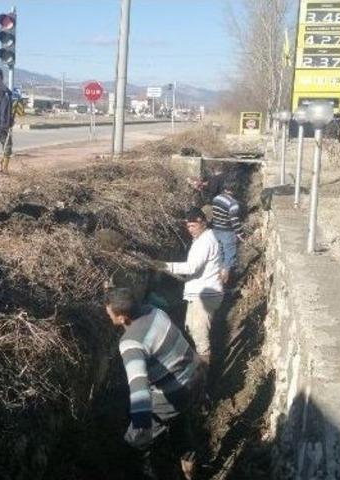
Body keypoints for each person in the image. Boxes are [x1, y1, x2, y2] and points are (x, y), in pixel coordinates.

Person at [105, 287, 202, 479]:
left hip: (175, 392)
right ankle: (191, 472)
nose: (107, 315)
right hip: (195, 376)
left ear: (122, 318)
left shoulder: (131, 343)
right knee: (180, 425)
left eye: (109, 313)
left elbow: (139, 388)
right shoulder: (155, 311)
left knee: (132, 445)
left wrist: (141, 426)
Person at [161, 207, 224, 368]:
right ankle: (200, 364)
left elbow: (192, 267)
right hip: (198, 292)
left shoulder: (206, 241)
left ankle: (204, 374)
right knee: (191, 327)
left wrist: (166, 266)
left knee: (199, 333)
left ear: (203, 222)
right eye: (188, 227)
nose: (190, 230)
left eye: (193, 226)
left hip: (205, 294)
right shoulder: (201, 239)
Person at [211, 179, 245, 284]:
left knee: (219, 255)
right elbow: (234, 221)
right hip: (228, 232)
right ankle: (224, 282)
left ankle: (216, 280)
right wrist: (240, 234)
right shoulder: (233, 204)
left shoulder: (216, 199)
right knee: (229, 258)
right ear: (235, 190)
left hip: (216, 230)